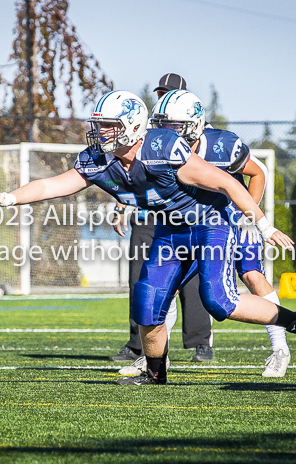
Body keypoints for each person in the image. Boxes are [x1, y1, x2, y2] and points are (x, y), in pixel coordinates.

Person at [0, 90, 296, 386]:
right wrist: (12, 197)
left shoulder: (162, 149)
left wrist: (263, 227)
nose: (101, 134)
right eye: (99, 126)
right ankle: (155, 373)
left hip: (210, 223)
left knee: (219, 301)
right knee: (147, 303)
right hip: (169, 229)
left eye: (109, 127)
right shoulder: (100, 161)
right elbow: (54, 184)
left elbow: (227, 183)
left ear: (132, 126)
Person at [147, 89, 291, 377]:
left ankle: (280, 349)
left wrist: (247, 215)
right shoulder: (161, 150)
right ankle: (157, 359)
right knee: (168, 288)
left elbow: (258, 172)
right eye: (163, 125)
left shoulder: (222, 145)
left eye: (174, 126)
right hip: (191, 228)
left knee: (252, 276)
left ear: (194, 125)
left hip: (229, 221)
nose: (167, 133)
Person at [110, 73, 214, 368]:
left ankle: (200, 342)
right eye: (160, 91)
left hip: (184, 218)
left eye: (169, 91)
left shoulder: (196, 131)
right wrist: (121, 206)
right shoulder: (144, 128)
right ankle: (137, 344)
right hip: (147, 216)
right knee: (139, 281)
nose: (162, 96)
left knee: (193, 282)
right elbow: (127, 169)